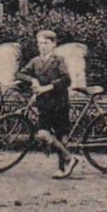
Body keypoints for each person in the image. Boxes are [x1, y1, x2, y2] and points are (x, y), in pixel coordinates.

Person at [16, 28, 79, 179]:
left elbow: (66, 80)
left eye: (46, 43)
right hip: (43, 103)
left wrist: (47, 87)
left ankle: (63, 167)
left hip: (59, 103)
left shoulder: (58, 60)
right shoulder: (36, 61)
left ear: (53, 44)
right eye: (40, 43)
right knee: (43, 133)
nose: (42, 46)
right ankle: (70, 158)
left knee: (61, 135)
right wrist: (33, 80)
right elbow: (20, 73)